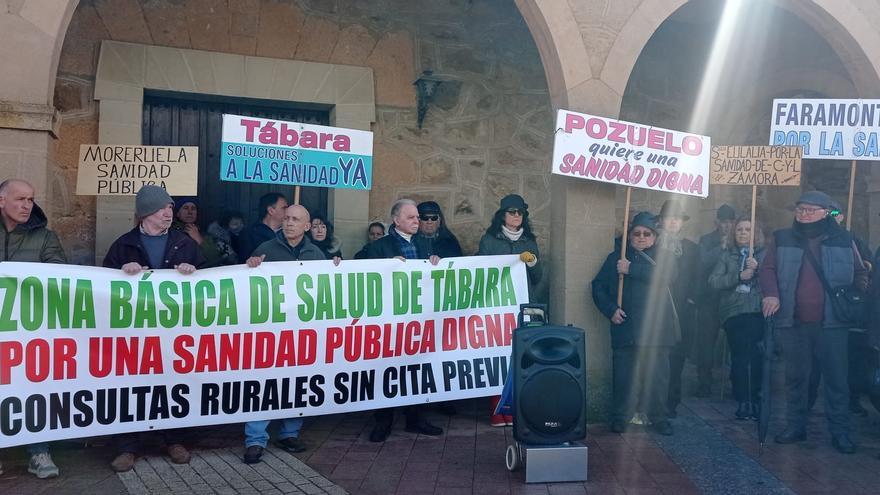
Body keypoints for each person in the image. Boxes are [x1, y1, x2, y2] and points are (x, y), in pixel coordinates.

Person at [103, 185, 206, 471]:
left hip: (174, 332)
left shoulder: (185, 244)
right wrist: (122, 274)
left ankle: (174, 439)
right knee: (130, 387)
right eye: (163, 208)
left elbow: (212, 280)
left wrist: (193, 272)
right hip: (134, 333)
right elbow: (102, 286)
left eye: (170, 208)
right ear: (145, 213)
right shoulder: (122, 245)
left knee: (172, 384)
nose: (168, 213)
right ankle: (127, 446)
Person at [759, 190, 868, 454]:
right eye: (800, 210)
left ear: (825, 213)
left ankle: (840, 432)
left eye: (809, 210)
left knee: (836, 380)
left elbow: (860, 271)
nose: (803, 215)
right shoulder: (782, 238)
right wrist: (771, 293)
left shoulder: (845, 239)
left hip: (833, 324)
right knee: (796, 378)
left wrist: (855, 295)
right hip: (794, 321)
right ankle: (795, 426)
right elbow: (767, 268)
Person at [241, 204, 325, 463]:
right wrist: (250, 266)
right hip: (271, 331)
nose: (289, 223)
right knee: (264, 383)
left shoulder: (316, 254)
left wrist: (336, 268)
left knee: (299, 382)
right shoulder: (265, 250)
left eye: (296, 219)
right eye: (286, 218)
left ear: (307, 226)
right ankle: (255, 439)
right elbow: (246, 286)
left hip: (302, 332)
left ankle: (290, 433)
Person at [0, 179, 66, 479]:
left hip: (28, 332)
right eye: (20, 199)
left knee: (33, 389)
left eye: (31, 199)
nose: (27, 205)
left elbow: (59, 273)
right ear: (2, 201)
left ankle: (38, 451)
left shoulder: (45, 237)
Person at [591, 211, 677, 436]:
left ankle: (659, 417)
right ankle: (620, 417)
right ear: (629, 236)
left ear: (655, 237)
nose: (641, 237)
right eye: (636, 233)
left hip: (657, 328)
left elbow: (667, 276)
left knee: (657, 377)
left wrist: (631, 269)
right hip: (626, 326)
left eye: (646, 234)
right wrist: (611, 310)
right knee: (623, 377)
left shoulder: (665, 256)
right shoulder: (616, 257)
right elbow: (597, 286)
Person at [365, 198, 442, 442]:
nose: (417, 221)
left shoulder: (427, 245)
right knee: (387, 369)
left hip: (419, 317)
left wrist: (436, 265)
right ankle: (383, 420)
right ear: (396, 220)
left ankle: (415, 418)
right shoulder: (380, 247)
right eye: (411, 217)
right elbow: (365, 275)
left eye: (418, 217)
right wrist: (385, 267)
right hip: (390, 318)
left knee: (417, 367)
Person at [477, 194, 542, 427]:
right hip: (498, 306)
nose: (516, 216)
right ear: (502, 215)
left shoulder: (529, 241)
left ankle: (516, 408)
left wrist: (532, 262)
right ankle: (497, 407)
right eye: (512, 211)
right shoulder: (489, 240)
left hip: (525, 306)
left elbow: (538, 277)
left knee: (522, 356)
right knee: (498, 356)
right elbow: (481, 270)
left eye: (520, 212)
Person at [807, 204, 873, 416]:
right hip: (815, 310)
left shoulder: (852, 240)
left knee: (844, 364)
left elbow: (864, 269)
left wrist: (859, 286)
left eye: (835, 214)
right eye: (828, 213)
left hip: (843, 312)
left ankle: (847, 406)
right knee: (811, 365)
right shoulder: (812, 238)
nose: (831, 217)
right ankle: (806, 405)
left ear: (842, 216)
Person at [708, 217, 765, 420]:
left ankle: (755, 398)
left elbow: (775, 280)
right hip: (734, 312)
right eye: (739, 229)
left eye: (747, 229)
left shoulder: (765, 255)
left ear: (754, 233)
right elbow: (714, 281)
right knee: (741, 356)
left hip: (757, 311)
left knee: (755, 356)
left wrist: (758, 269)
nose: (742, 233)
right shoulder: (727, 256)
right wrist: (739, 276)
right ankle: (743, 400)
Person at [656, 200, 701, 417]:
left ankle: (671, 401)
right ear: (661, 221)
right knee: (657, 357)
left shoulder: (692, 248)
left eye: (677, 218)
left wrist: (692, 299)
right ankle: (655, 400)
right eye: (669, 218)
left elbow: (699, 278)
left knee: (677, 357)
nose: (673, 222)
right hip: (657, 309)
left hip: (682, 310)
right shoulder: (653, 245)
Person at [695, 204, 737, 398]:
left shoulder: (739, 239)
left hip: (731, 298)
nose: (727, 226)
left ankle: (737, 382)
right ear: (717, 222)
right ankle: (704, 381)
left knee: (736, 343)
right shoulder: (706, 240)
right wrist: (720, 247)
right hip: (709, 299)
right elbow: (702, 263)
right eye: (724, 222)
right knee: (706, 343)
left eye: (730, 222)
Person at [172, 197, 229, 266]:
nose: (190, 212)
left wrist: (198, 238)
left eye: (193, 209)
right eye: (185, 208)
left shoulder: (204, 234)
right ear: (178, 213)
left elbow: (214, 258)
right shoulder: (170, 232)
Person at [237, 192, 288, 262]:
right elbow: (242, 263)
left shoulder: (290, 232)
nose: (288, 211)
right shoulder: (249, 233)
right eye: (284, 208)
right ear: (271, 211)